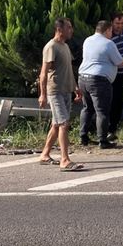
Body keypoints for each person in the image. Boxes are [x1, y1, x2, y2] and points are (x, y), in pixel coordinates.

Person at [38, 17, 84, 172]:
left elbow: (68, 69)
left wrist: (76, 87)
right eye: (69, 27)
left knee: (56, 125)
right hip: (55, 92)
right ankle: (64, 159)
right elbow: (43, 73)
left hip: (66, 90)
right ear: (60, 29)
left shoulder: (64, 46)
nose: (71, 30)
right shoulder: (51, 47)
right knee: (64, 123)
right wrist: (43, 94)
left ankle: (45, 154)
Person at [79, 20, 123, 149]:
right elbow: (119, 62)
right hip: (99, 80)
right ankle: (103, 140)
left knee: (87, 108)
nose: (112, 33)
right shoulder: (109, 44)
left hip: (83, 78)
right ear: (107, 30)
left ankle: (83, 137)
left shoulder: (88, 40)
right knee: (102, 111)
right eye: (111, 31)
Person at [107, 12, 123, 142]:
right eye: (117, 23)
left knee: (119, 102)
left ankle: (113, 129)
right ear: (112, 23)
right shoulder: (109, 37)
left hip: (121, 73)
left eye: (122, 23)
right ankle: (107, 130)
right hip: (111, 75)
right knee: (110, 102)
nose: (119, 26)